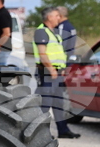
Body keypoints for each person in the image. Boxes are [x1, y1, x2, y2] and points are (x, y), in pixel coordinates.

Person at [33, 7, 77, 139]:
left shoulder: (53, 32)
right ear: (49, 17)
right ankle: (39, 133)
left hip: (56, 72)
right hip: (47, 72)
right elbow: (42, 54)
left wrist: (61, 69)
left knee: (58, 103)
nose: (59, 18)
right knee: (45, 103)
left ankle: (63, 130)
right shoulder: (41, 31)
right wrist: (52, 69)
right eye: (57, 15)